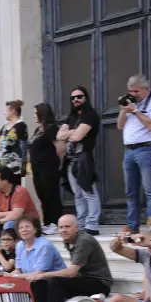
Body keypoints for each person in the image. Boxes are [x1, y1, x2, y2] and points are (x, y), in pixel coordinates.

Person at [24, 215, 112, 302]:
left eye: (67, 227)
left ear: (76, 228)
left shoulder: (84, 241)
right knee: (42, 283)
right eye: (61, 227)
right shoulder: (69, 240)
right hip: (84, 279)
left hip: (100, 283)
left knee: (56, 281)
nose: (63, 230)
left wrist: (43, 274)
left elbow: (71, 272)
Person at [117, 74, 151, 234]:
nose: (132, 94)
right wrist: (124, 111)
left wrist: (136, 111)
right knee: (131, 192)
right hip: (129, 151)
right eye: (130, 91)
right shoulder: (131, 103)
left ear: (146, 89)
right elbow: (119, 126)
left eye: (136, 91)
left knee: (150, 190)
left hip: (147, 149)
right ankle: (132, 227)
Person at [58, 85, 101, 235]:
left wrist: (69, 133)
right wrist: (73, 131)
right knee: (78, 195)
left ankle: (92, 225)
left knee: (88, 191)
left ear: (85, 98)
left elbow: (77, 137)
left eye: (79, 96)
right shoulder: (71, 117)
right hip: (71, 160)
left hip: (84, 158)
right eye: (73, 97)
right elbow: (59, 136)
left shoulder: (90, 115)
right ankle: (81, 224)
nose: (76, 99)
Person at [10, 217, 67, 302]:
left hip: (53, 283)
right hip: (31, 280)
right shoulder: (19, 245)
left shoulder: (44, 245)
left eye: (27, 226)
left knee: (37, 283)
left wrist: (12, 276)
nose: (24, 230)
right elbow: (18, 270)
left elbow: (38, 274)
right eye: (21, 228)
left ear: (35, 229)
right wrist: (5, 276)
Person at [28, 103, 64, 235]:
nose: (33, 116)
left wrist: (54, 163)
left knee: (51, 195)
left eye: (35, 113)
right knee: (42, 195)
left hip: (48, 168)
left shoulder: (51, 129)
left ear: (42, 114)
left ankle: (56, 222)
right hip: (36, 169)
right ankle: (47, 222)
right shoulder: (38, 130)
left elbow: (59, 147)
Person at [0, 166, 38, 245]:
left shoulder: (21, 192)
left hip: (26, 224)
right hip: (5, 223)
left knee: (9, 224)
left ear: (5, 181)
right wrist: (10, 213)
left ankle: (10, 254)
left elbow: (16, 216)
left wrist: (0, 220)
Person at [0, 100, 28, 173]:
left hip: (14, 165)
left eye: (6, 110)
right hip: (2, 164)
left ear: (13, 111)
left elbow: (13, 142)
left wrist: (0, 142)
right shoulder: (5, 126)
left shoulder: (21, 125)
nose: (5, 113)